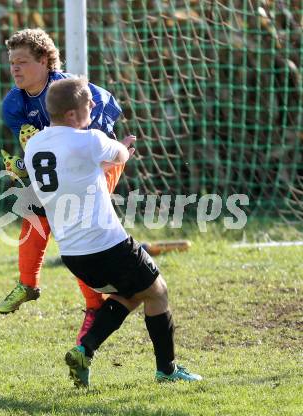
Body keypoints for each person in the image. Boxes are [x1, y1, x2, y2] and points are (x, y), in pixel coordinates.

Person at [24, 77, 202, 387]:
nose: (93, 106)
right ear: (71, 115)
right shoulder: (89, 140)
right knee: (158, 292)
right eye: (87, 104)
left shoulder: (35, 146)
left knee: (130, 295)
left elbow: (77, 172)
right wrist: (125, 148)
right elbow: (120, 155)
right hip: (108, 245)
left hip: (73, 255)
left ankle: (84, 349)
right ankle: (168, 370)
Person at [0, 28, 131, 345]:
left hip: (98, 161)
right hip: (65, 168)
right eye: (12, 62)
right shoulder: (13, 104)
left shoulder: (72, 91)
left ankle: (93, 305)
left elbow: (91, 142)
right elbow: (39, 148)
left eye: (23, 61)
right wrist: (22, 165)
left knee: (70, 229)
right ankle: (29, 284)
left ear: (44, 60)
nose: (15, 68)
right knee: (35, 209)